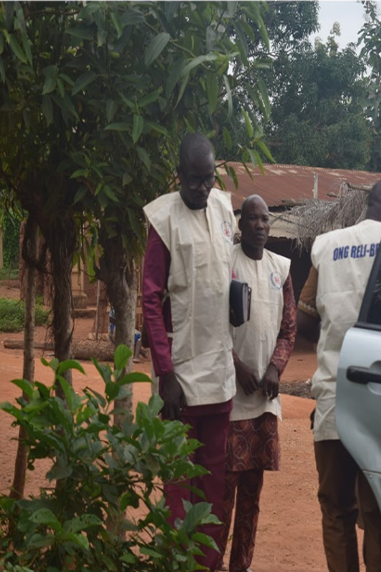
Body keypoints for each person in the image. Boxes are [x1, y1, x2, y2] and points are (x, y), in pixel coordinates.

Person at [142, 132, 236, 571]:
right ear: (178, 175)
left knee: (212, 490)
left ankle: (209, 566)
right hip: (180, 380)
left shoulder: (223, 208)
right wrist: (166, 373)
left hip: (219, 374)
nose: (202, 188)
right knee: (179, 488)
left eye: (209, 178)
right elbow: (150, 299)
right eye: (194, 179)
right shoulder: (164, 221)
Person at [297, 178, 381, 572]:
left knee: (336, 509)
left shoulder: (327, 245)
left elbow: (305, 322)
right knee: (377, 514)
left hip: (333, 397)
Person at [217, 195, 297, 572]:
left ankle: (241, 565)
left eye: (266, 219)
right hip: (230, 401)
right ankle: (212, 562)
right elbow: (212, 325)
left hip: (264, 401)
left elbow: (289, 328)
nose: (261, 225)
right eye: (253, 219)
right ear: (240, 224)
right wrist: (237, 366)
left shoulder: (281, 268)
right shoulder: (226, 264)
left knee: (252, 493)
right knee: (222, 493)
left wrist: (275, 369)